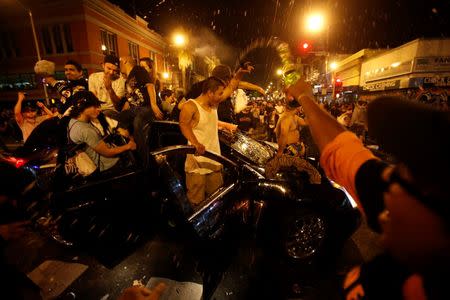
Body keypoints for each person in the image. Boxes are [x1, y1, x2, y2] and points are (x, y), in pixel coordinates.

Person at [286, 79, 450, 299]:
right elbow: (341, 149)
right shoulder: (403, 207)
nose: (389, 187)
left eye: (401, 176)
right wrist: (305, 98)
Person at [179, 77, 227, 206]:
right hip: (196, 165)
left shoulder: (214, 105)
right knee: (196, 204)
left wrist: (240, 73)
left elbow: (232, 87)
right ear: (210, 93)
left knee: (216, 201)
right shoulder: (191, 106)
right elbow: (183, 124)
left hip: (214, 162)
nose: (222, 96)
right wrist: (195, 143)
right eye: (219, 93)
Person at [68, 91, 136, 173]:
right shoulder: (85, 130)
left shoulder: (72, 122)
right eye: (95, 106)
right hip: (110, 166)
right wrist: (128, 146)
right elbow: (107, 152)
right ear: (82, 107)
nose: (99, 109)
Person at [186, 64, 264, 123]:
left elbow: (235, 85)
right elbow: (181, 107)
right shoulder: (199, 89)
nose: (227, 83)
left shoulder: (220, 92)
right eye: (227, 79)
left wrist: (258, 88)